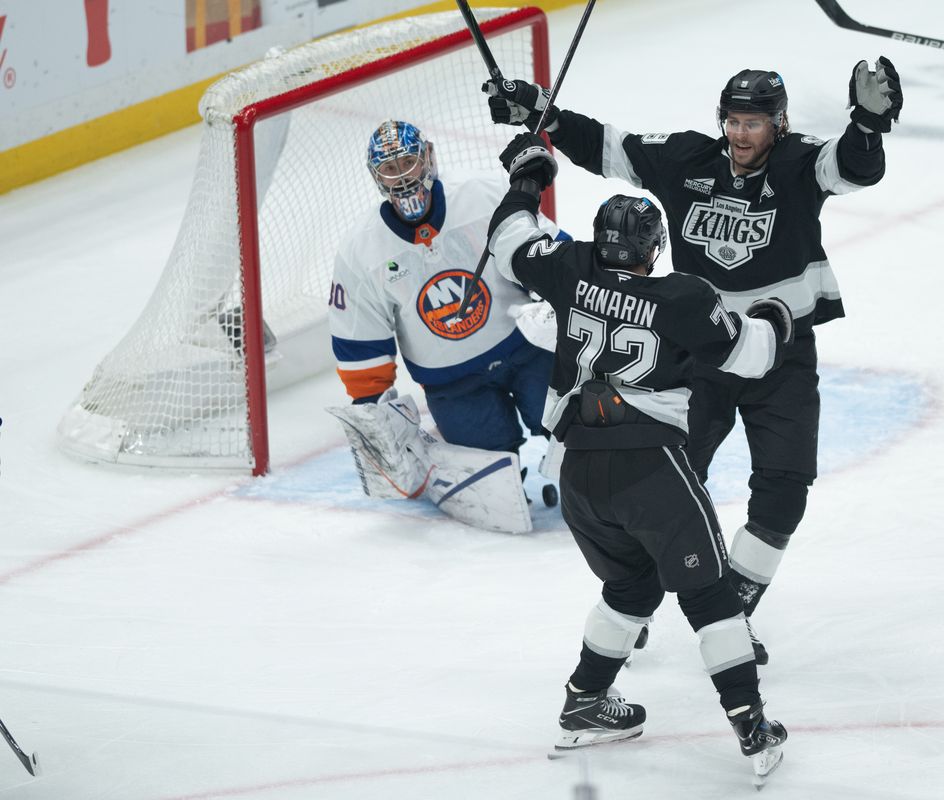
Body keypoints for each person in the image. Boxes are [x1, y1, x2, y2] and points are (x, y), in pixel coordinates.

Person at [483, 62, 903, 659]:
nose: (740, 134)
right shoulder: (688, 161)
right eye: (732, 121)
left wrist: (868, 123)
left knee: (785, 489)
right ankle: (638, 598)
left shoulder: (800, 162)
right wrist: (539, 111)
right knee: (667, 489)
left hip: (781, 356)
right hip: (697, 355)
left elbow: (856, 166)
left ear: (778, 124)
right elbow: (608, 146)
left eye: (753, 123)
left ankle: (733, 605)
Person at [487, 130, 792, 784]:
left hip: (576, 475)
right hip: (648, 468)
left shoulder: (569, 268)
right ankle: (751, 725)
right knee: (709, 594)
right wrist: (774, 319)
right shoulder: (681, 297)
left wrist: (528, 174)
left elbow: (510, 235)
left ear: (600, 242)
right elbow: (751, 356)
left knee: (631, 586)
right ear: (654, 250)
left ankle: (586, 700)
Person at [328, 121, 568, 506]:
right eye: (390, 168)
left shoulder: (483, 197)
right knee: (488, 480)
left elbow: (554, 255)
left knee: (573, 425)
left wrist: (567, 297)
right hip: (453, 383)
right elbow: (360, 337)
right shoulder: (361, 251)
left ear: (429, 157)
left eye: (408, 161)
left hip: (525, 350)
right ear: (376, 177)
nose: (402, 176)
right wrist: (371, 406)